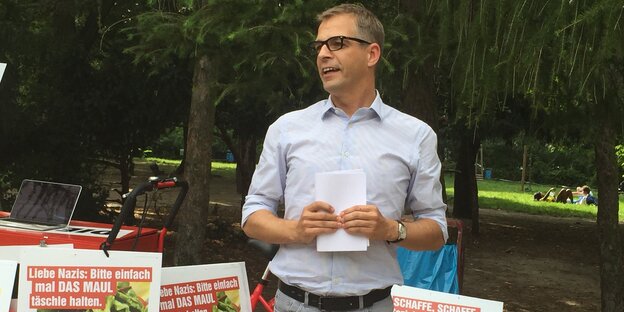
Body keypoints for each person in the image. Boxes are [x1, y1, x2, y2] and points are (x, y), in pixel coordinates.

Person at [241, 3, 448, 312]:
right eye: (319, 46)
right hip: (294, 304)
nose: (323, 54)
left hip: (372, 305)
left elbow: (436, 230)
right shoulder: (286, 129)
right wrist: (295, 230)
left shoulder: (416, 136)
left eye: (337, 43)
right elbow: (252, 215)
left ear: (372, 54)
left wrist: (391, 230)